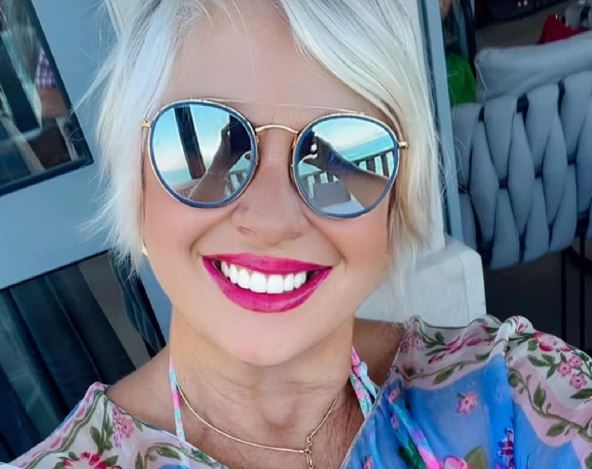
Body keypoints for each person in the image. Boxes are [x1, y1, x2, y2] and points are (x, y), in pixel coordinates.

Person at [7, 1, 592, 468]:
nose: (271, 220)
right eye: (204, 144)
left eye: (342, 155)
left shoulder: (516, 393)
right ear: (137, 179)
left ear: (396, 203)